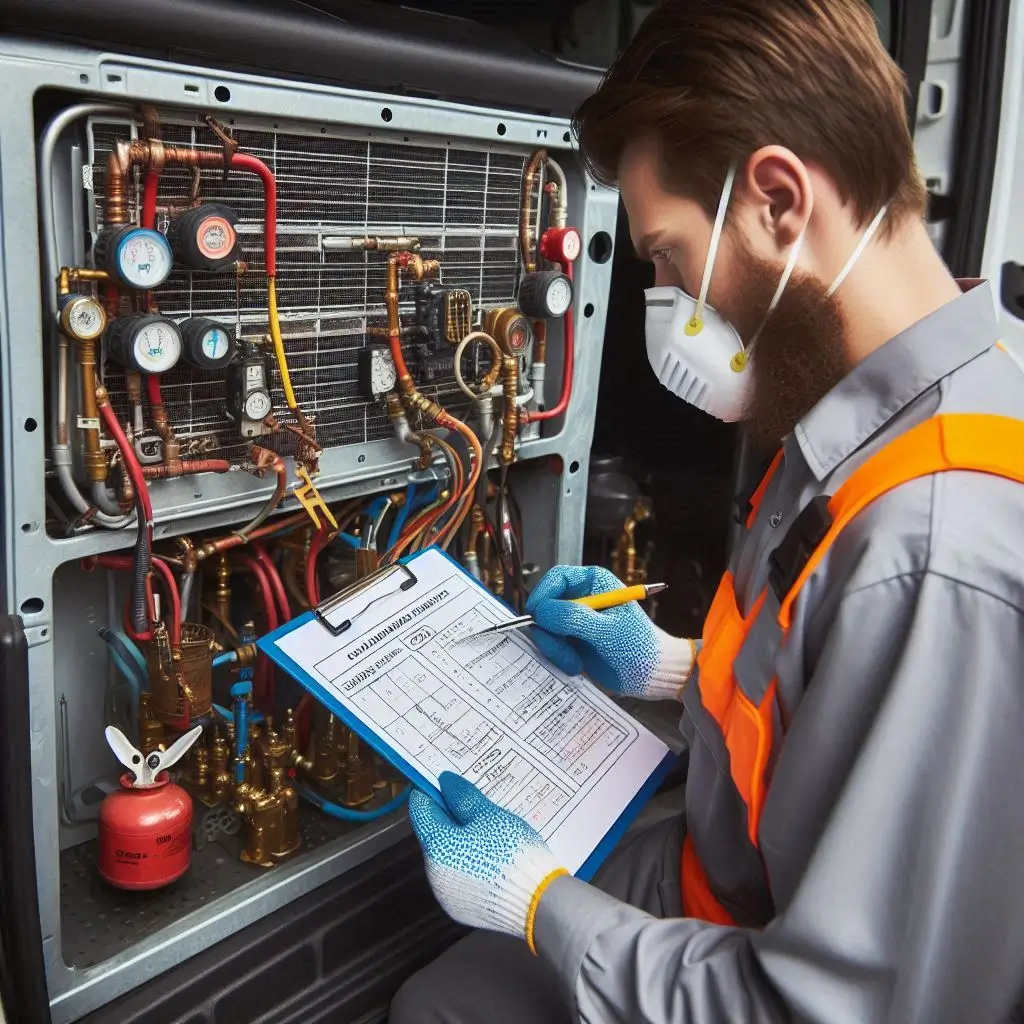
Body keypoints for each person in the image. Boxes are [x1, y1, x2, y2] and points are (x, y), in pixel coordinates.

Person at [390, 0, 1024, 1021]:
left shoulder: (937, 553)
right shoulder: (880, 412)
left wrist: (538, 904)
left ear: (777, 198)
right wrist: (663, 664)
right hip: (724, 873)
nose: (680, 296)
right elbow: (824, 690)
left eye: (672, 257)